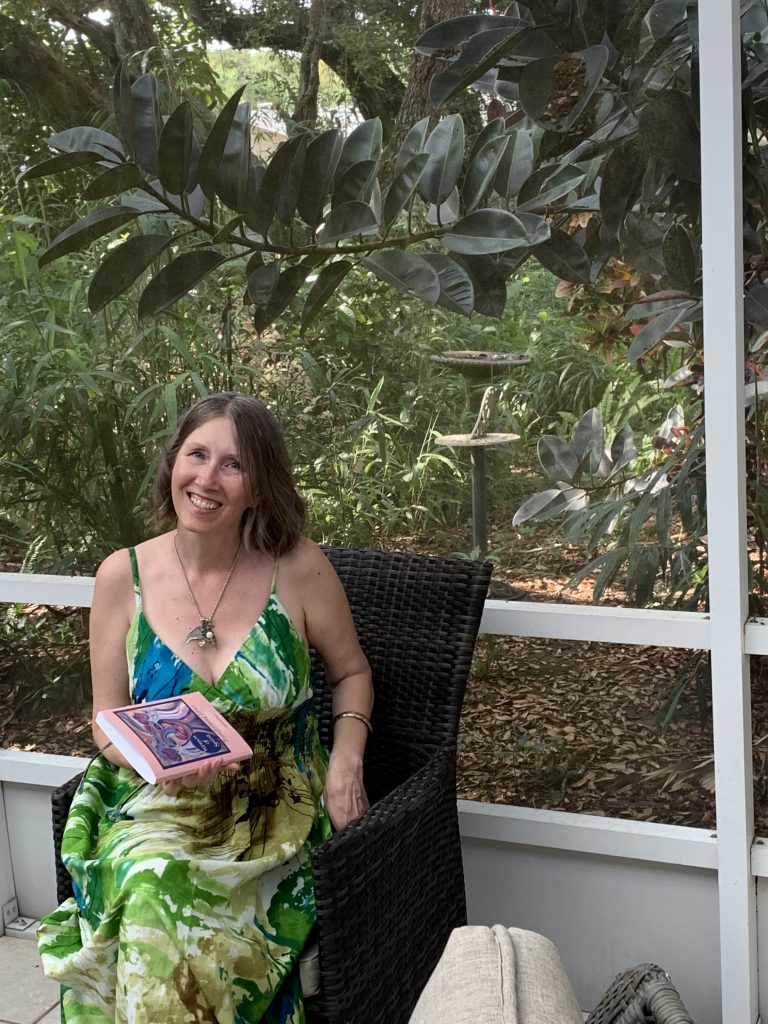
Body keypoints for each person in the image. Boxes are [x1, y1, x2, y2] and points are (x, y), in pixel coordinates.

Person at [37, 392, 374, 1024]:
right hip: (159, 799)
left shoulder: (297, 568)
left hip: (277, 804)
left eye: (233, 464)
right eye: (197, 455)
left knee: (177, 904)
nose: (208, 479)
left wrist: (346, 760)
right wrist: (150, 761)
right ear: (173, 463)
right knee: (151, 880)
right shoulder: (122, 576)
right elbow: (107, 719)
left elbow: (352, 672)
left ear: (259, 486)